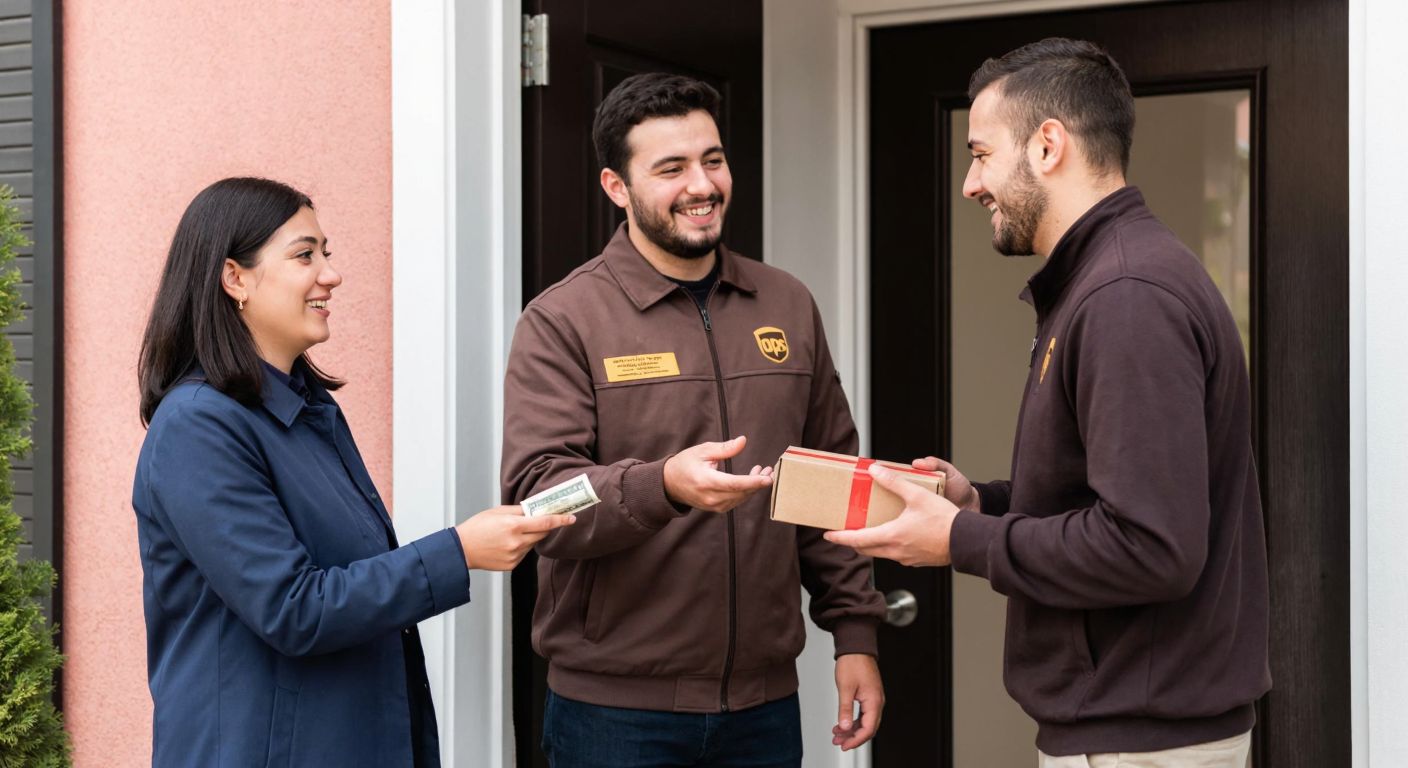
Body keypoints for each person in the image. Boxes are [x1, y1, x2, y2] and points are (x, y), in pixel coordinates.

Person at [826, 38, 1270, 767]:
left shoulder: (1127, 296)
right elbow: (1107, 500)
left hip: (1140, 748)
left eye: (981, 153)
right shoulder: (1107, 281)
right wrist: (982, 506)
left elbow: (1151, 548)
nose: (970, 183)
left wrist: (958, 541)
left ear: (1048, 145)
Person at [501, 73, 886, 767]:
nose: (701, 185)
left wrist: (855, 633)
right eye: (670, 168)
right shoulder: (562, 321)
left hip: (764, 710)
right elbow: (538, 498)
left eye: (712, 160)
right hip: (614, 718)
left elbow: (830, 479)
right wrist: (664, 488)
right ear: (616, 187)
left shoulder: (786, 303)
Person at [133, 177, 574, 767]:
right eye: (304, 255)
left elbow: (350, 582)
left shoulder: (307, 408)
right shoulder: (197, 428)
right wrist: (459, 550)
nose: (330, 275)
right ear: (234, 278)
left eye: (327, 253)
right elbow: (294, 608)